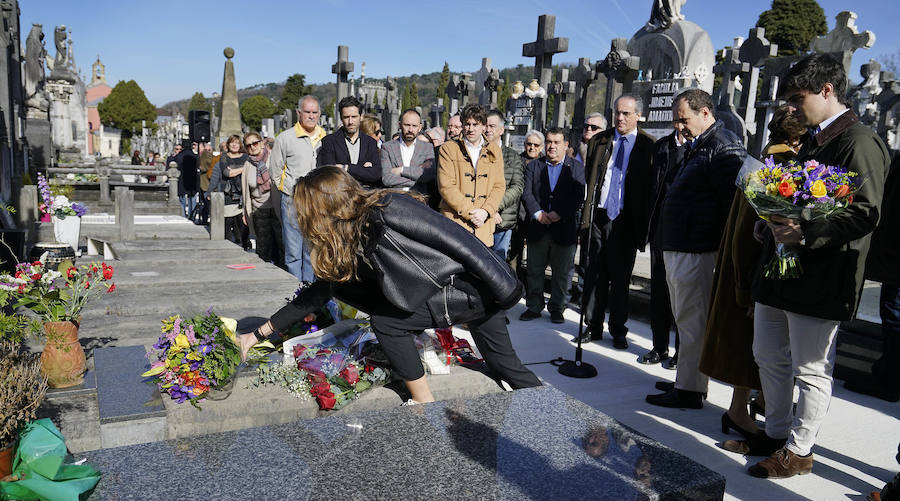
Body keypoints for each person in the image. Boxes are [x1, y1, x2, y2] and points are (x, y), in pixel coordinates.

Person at [235, 166, 541, 404]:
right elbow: (319, 291)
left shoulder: (388, 208)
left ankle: (423, 401)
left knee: (388, 324)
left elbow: (458, 240)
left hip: (464, 290)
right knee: (507, 367)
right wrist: (257, 335)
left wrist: (505, 288)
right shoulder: (350, 230)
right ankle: (547, 411)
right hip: (440, 291)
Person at [737, 53, 890, 479]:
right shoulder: (812, 139)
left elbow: (864, 213)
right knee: (767, 354)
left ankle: (800, 450)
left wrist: (803, 231)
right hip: (783, 272)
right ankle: (776, 431)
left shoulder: (859, 142)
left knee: (811, 368)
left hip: (824, 275)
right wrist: (769, 227)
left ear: (827, 91)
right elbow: (796, 196)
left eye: (797, 97)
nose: (790, 106)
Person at [704, 105, 805, 442]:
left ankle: (755, 404)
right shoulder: (778, 169)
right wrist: (747, 292)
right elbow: (747, 233)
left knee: (754, 352)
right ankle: (737, 411)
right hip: (749, 277)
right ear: (794, 140)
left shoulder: (759, 162)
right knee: (750, 352)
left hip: (742, 272)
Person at [645, 89, 746, 410]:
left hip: (697, 249)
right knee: (686, 319)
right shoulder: (701, 145)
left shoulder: (722, 146)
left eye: (683, 119)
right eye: (676, 120)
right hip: (682, 247)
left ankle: (689, 391)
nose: (679, 126)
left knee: (691, 320)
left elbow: (734, 204)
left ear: (705, 113)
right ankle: (688, 380)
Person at [577, 95, 654, 349]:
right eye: (617, 113)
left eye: (626, 114)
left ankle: (618, 330)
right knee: (594, 273)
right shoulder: (601, 140)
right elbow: (592, 175)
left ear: (637, 116)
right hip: (599, 215)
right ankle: (593, 325)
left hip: (625, 220)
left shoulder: (647, 145)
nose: (620, 118)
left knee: (620, 279)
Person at [846, 153, 900, 403]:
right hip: (891, 256)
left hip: (894, 257)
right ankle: (887, 374)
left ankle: (889, 379)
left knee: (894, 315)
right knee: (892, 314)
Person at [519, 127, 585, 324]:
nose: (551, 146)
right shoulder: (534, 166)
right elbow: (527, 192)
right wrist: (538, 213)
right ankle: (534, 305)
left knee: (561, 273)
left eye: (557, 142)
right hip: (538, 227)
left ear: (566, 145)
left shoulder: (576, 168)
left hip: (563, 228)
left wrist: (560, 213)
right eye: (548, 142)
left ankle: (557, 307)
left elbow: (578, 196)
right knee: (534, 270)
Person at [270, 95, 326, 282]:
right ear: (298, 113)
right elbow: (275, 171)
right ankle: (294, 293)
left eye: (315, 112)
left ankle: (308, 291)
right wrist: (287, 190)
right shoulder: (285, 138)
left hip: (316, 201)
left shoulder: (325, 138)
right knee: (293, 251)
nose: (311, 116)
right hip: (292, 200)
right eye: (307, 112)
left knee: (312, 251)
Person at [643, 125, 685, 367]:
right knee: (659, 294)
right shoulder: (662, 147)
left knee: (681, 297)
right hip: (660, 230)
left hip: (683, 235)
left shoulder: (697, 149)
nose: (680, 126)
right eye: (676, 119)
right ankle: (659, 347)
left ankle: (682, 353)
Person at [437, 104, 505, 247]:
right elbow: (446, 186)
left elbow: (499, 185)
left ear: (484, 126)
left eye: (475, 124)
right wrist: (471, 213)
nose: (471, 128)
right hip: (455, 222)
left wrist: (485, 212)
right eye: (467, 124)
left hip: (483, 225)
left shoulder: (494, 151)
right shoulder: (448, 149)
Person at [317, 96, 382, 189]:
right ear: (341, 118)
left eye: (354, 117)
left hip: (365, 196)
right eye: (346, 117)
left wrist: (346, 168)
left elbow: (376, 174)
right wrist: (363, 170)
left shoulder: (370, 142)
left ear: (361, 116)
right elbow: (330, 174)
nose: (350, 122)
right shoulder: (329, 142)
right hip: (340, 196)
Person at [484, 110, 523, 260]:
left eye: (492, 126)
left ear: (501, 129)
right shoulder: (477, 152)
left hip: (502, 220)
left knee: (498, 264)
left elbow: (517, 187)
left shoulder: (513, 157)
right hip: (479, 218)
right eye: (486, 125)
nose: (488, 130)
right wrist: (486, 211)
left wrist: (493, 208)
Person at [241, 131, 283, 266]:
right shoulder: (247, 165)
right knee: (263, 248)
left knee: (282, 245)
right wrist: (245, 212)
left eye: (255, 143)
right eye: (248, 146)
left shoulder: (273, 158)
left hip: (277, 207)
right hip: (259, 209)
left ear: (261, 143)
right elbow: (246, 191)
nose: (252, 147)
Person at [509, 129, 545, 281]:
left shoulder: (546, 163)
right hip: (517, 213)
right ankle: (514, 283)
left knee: (535, 255)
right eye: (529, 144)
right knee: (514, 254)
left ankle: (532, 285)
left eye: (536, 145)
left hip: (536, 214)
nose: (532, 148)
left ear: (541, 147)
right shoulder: (517, 160)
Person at [380, 109, 436, 197]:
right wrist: (416, 176)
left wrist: (401, 170)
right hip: (394, 199)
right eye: (407, 125)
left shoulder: (427, 148)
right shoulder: (387, 147)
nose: (410, 129)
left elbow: (429, 175)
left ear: (420, 127)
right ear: (399, 125)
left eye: (414, 126)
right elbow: (387, 179)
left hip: (419, 200)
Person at [209, 135, 250, 250]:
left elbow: (249, 170)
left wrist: (235, 170)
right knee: (227, 225)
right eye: (232, 142)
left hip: (243, 195)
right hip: (228, 195)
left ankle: (245, 249)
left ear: (240, 145)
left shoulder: (246, 157)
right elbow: (227, 173)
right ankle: (226, 250)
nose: (234, 145)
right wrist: (243, 169)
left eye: (237, 143)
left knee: (243, 226)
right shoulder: (224, 157)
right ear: (228, 144)